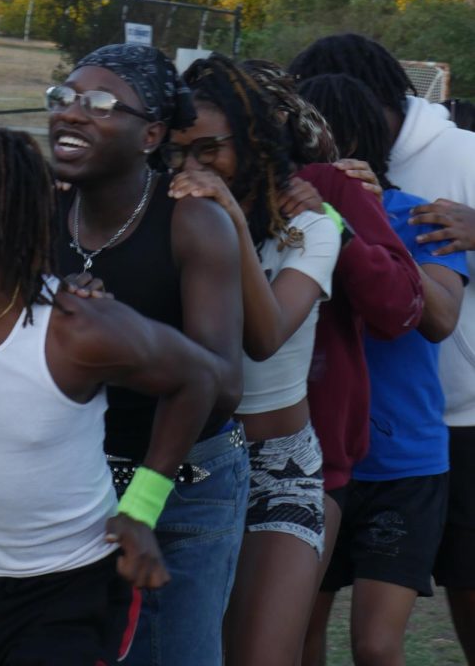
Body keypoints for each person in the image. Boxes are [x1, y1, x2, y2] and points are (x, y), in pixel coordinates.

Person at [0, 118, 225, 666]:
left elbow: (198, 378)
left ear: (4, 217)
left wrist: (142, 509)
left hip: (74, 591)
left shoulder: (73, 328)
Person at [48, 43, 247, 666]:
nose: (73, 113)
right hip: (77, 481)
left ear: (151, 134)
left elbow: (225, 385)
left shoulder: (192, 224)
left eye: (101, 104)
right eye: (65, 97)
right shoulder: (42, 211)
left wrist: (122, 335)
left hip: (187, 486)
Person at [290, 33, 475, 664]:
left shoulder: (420, 208)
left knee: (377, 644)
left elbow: (435, 317)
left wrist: (358, 220)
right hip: (311, 454)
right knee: (296, 631)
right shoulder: (281, 216)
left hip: (410, 455)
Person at [167, 53, 340, 666]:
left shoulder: (310, 230)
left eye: (209, 149)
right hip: (190, 465)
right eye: (178, 151)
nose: (192, 167)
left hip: (280, 466)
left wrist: (232, 220)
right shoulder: (163, 222)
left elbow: (265, 335)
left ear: (255, 142)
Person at [242, 58, 424, 630]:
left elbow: (402, 306)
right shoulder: (173, 185)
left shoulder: (322, 189)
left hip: (304, 454)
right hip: (190, 450)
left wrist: (337, 220)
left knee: (284, 635)